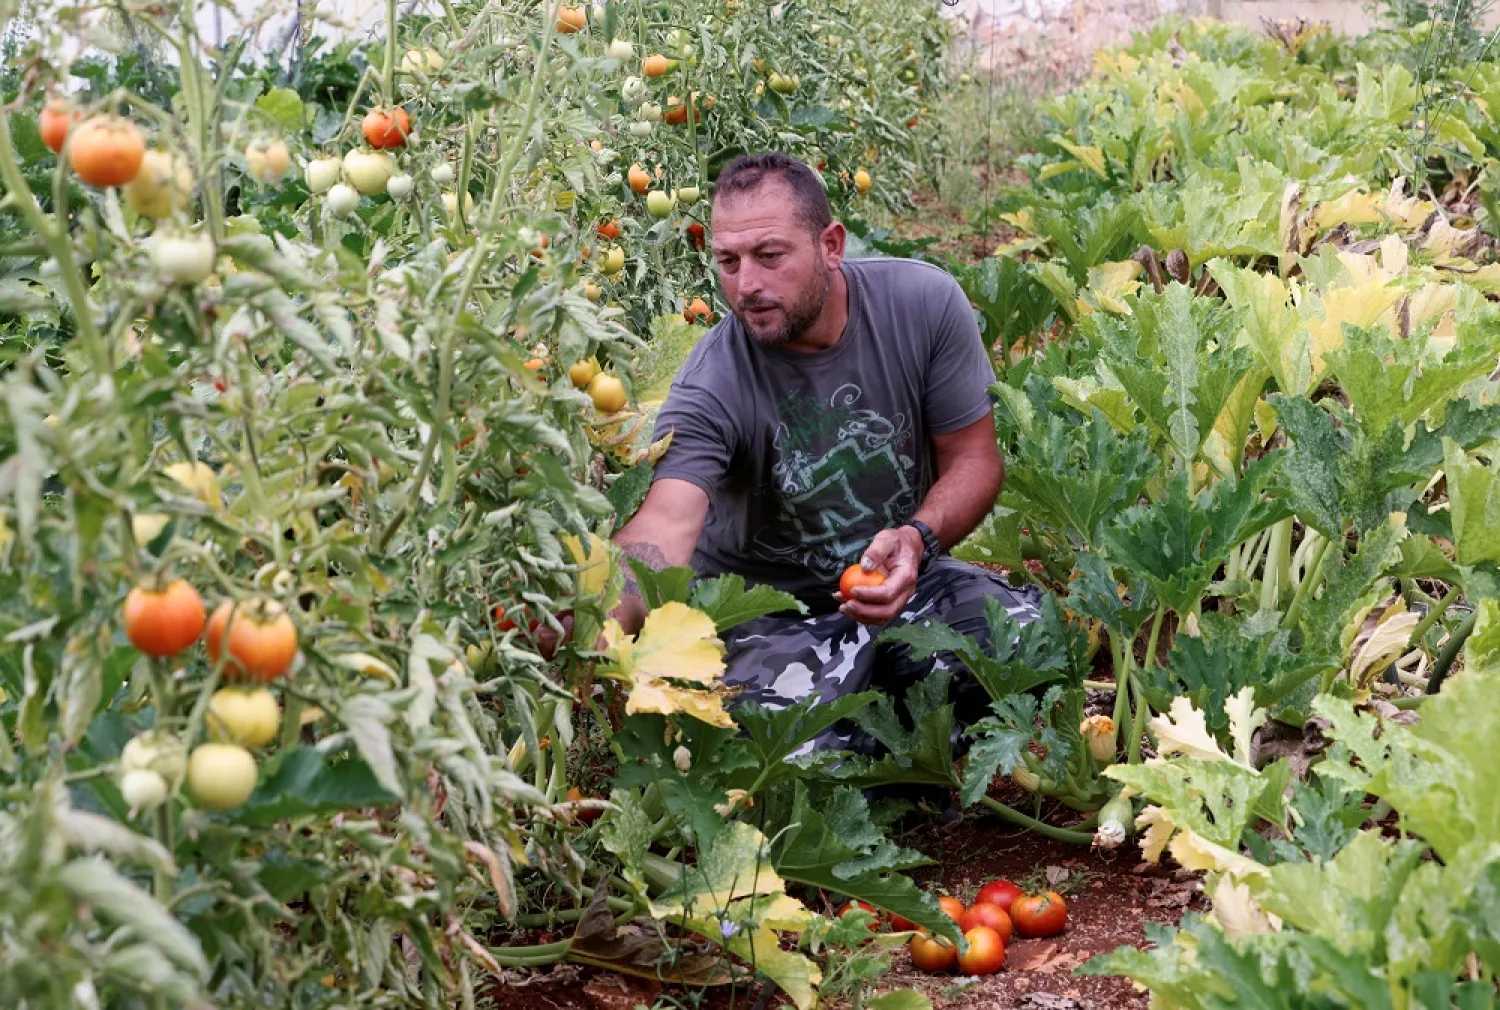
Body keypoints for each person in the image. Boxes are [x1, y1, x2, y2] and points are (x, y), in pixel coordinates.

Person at [610, 152, 1039, 750]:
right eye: (728, 262)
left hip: (903, 587)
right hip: (772, 625)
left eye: (769, 256)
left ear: (831, 245)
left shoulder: (922, 304)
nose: (747, 285)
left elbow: (974, 460)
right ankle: (890, 720)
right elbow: (664, 523)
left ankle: (888, 709)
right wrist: (595, 620)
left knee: (1029, 647)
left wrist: (917, 540)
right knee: (786, 748)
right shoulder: (712, 382)